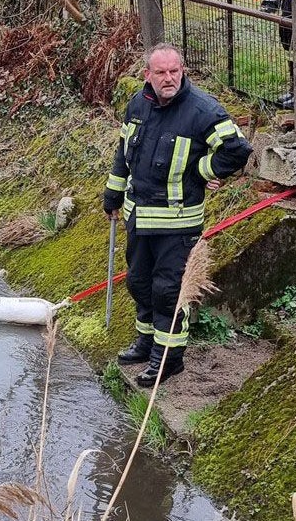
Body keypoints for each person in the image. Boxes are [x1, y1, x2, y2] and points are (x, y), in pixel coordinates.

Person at [103, 44, 252, 387]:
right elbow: (123, 153)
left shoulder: (203, 111)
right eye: (161, 72)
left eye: (174, 71)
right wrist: (113, 192)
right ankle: (146, 343)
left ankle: (168, 359)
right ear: (147, 75)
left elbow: (237, 150)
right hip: (138, 217)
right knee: (139, 283)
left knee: (168, 291)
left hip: (177, 222)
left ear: (182, 70)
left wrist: (201, 171)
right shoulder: (138, 105)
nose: (169, 78)